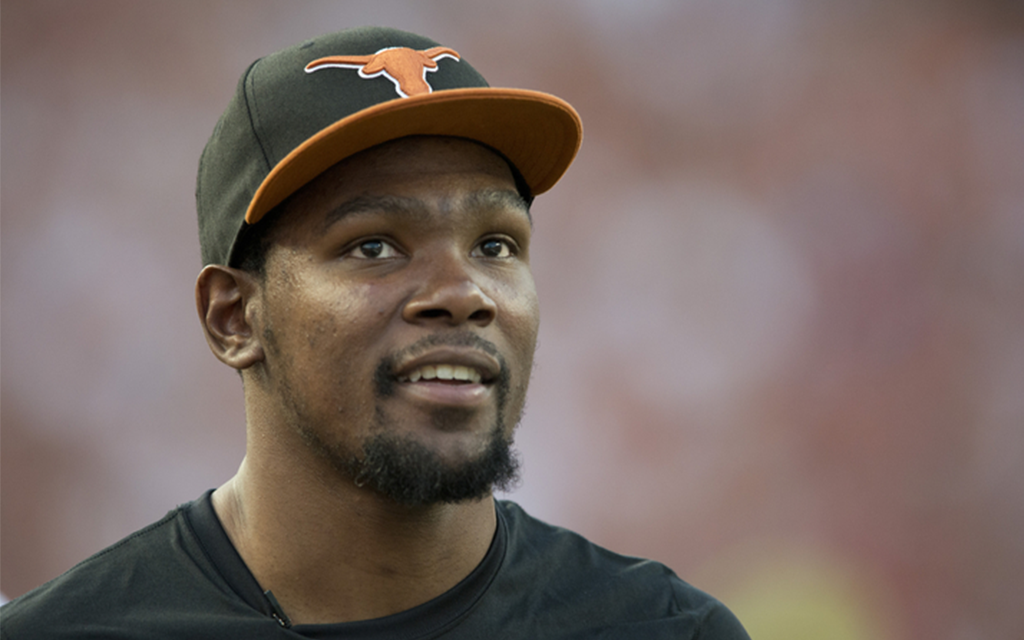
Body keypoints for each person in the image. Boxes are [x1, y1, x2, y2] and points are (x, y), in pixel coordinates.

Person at [0, 27, 750, 639]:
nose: (464, 295)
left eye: (495, 245)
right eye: (374, 245)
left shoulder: (664, 629)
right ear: (233, 317)